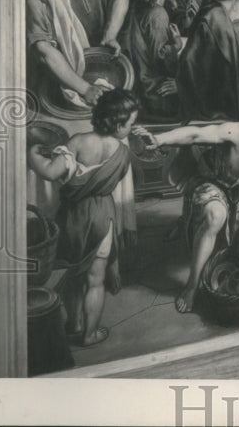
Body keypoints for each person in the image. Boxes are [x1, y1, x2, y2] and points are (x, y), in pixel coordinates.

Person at [27, 89, 141, 346]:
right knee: (95, 279)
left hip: (73, 218)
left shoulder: (78, 142)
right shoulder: (121, 150)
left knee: (74, 274)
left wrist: (33, 155)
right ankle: (90, 333)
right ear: (117, 123)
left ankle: (74, 322)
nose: (132, 129)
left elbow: (50, 172)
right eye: (131, 124)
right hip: (103, 217)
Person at [136, 121, 239, 314]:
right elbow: (197, 134)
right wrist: (159, 139)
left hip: (234, 194)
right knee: (215, 216)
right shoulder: (238, 132)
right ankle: (192, 287)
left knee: (231, 250)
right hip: (207, 179)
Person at [126, 0, 183, 119]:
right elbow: (160, 60)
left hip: (137, 86)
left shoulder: (139, 6)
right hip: (153, 92)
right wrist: (177, 44)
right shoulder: (158, 14)